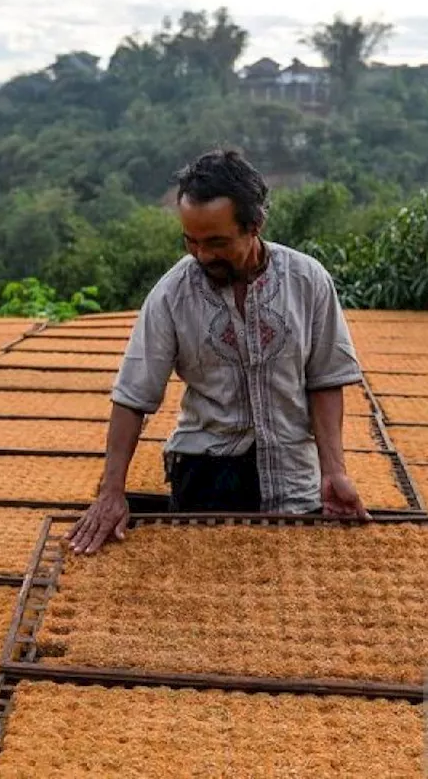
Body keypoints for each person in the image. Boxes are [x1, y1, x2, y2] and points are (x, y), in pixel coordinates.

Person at [68, 148, 370, 555]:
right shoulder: (173, 293)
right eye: (191, 240)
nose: (203, 255)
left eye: (217, 242)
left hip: (293, 473)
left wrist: (334, 470)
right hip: (208, 474)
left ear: (255, 224)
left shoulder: (307, 280)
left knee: (296, 597)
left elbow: (325, 380)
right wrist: (112, 490)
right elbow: (133, 397)